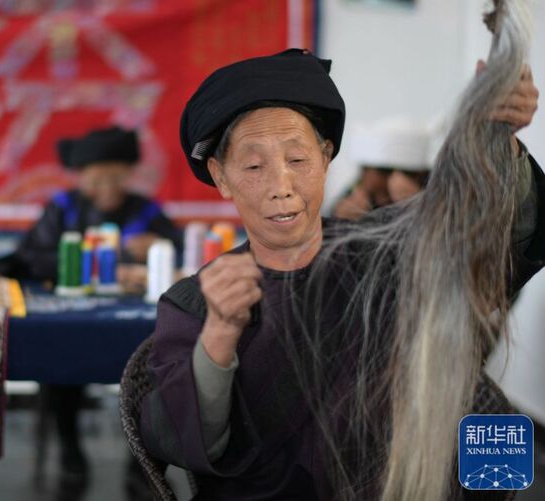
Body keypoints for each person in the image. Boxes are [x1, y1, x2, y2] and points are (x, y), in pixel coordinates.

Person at [138, 14, 541, 501]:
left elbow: (493, 241)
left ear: (327, 156)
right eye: (253, 165)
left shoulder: (390, 254)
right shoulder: (193, 305)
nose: (281, 188)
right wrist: (221, 332)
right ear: (221, 177)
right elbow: (178, 442)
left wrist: (495, 139)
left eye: (298, 159)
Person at [11, 126, 181, 487]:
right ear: (81, 176)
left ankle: (141, 460)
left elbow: (178, 256)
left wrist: (158, 246)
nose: (107, 186)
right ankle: (71, 452)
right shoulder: (63, 209)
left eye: (116, 177)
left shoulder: (146, 212)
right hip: (71, 319)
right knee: (59, 362)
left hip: (134, 321)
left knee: (154, 365)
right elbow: (30, 258)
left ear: (129, 174)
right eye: (96, 178)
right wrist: (95, 264)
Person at [332, 116, 434, 220]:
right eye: (385, 171)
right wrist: (342, 222)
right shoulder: (354, 196)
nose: (396, 182)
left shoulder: (436, 194)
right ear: (365, 171)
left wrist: (419, 207)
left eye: (409, 173)